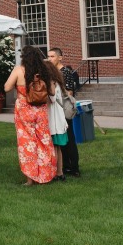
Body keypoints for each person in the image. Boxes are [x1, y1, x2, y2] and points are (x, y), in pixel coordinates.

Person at [4, 46, 58, 186]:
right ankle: (45, 177)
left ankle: (30, 179)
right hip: (40, 111)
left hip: (24, 111)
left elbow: (7, 87)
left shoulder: (19, 70)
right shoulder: (44, 71)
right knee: (44, 142)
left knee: (27, 143)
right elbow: (52, 92)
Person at [47, 48, 81, 177]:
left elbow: (69, 92)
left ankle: (74, 167)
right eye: (48, 56)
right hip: (56, 110)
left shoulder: (65, 72)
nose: (49, 59)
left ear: (60, 57)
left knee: (70, 139)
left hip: (64, 109)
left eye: (52, 56)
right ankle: (65, 166)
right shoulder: (52, 72)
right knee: (61, 140)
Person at [44, 60, 70, 181]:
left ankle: (55, 172)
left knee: (54, 147)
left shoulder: (51, 82)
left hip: (54, 120)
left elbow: (53, 98)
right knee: (58, 148)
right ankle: (60, 172)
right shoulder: (58, 81)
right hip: (59, 119)